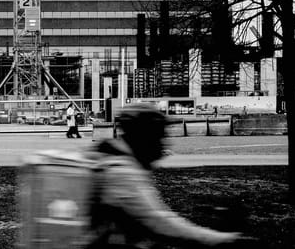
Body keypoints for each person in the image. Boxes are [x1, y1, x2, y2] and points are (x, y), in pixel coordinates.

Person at [89, 103, 242, 248]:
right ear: (144, 137)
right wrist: (224, 241)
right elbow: (159, 224)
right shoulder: (120, 171)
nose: (164, 144)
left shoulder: (104, 157)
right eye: (160, 136)